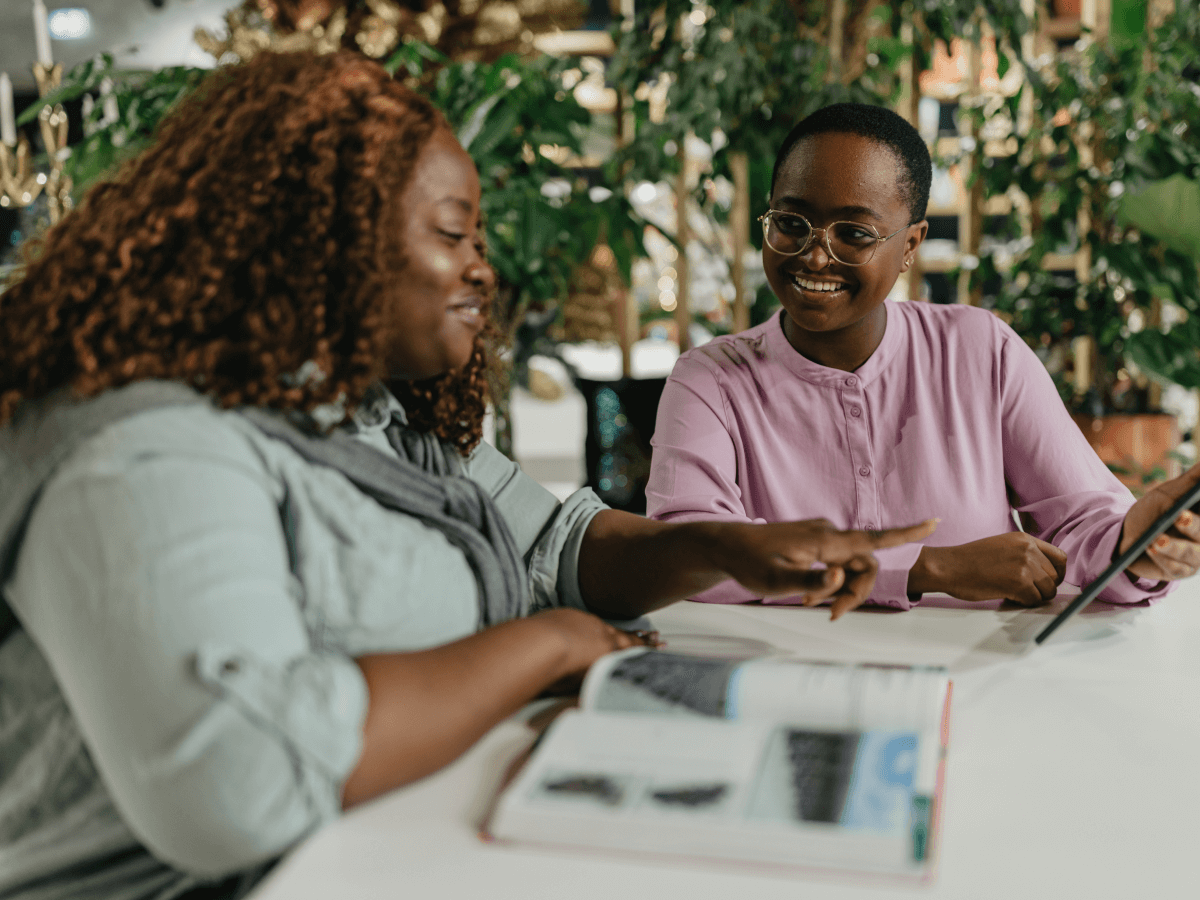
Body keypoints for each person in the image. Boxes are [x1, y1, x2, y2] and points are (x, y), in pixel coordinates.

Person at [0, 56, 935, 900]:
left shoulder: (363, 412)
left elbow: (552, 546)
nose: (481, 269)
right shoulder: (140, 451)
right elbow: (236, 783)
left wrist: (720, 546)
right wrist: (548, 648)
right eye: (455, 233)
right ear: (320, 239)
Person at [645, 101, 1200, 613]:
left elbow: (1083, 519)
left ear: (910, 245)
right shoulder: (709, 381)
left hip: (977, 685)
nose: (815, 254)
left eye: (855, 233)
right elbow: (686, 552)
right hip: (791, 683)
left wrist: (1137, 545)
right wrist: (926, 568)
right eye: (791, 224)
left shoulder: (981, 351)